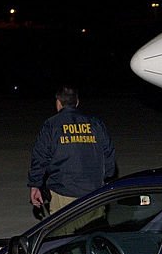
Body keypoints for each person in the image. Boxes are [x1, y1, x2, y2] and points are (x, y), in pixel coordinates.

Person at [28, 85, 116, 214]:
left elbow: (40, 157)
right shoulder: (95, 123)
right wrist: (105, 176)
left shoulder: (51, 125)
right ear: (77, 102)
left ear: (58, 102)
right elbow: (108, 153)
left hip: (63, 192)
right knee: (91, 231)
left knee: (63, 233)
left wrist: (35, 184)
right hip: (93, 193)